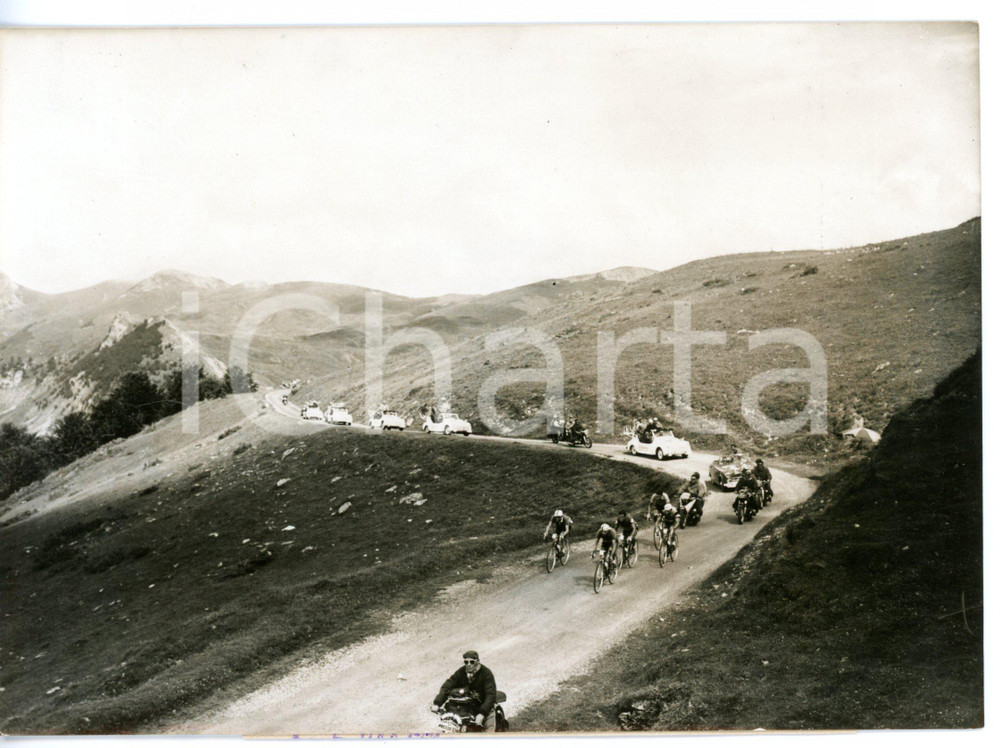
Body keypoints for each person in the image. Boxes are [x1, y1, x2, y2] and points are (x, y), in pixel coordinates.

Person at [432, 650, 498, 731]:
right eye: (466, 662)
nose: (468, 664)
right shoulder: (461, 672)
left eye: (472, 662)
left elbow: (490, 694)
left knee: (487, 732)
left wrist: (482, 713)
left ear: (478, 661)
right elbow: (448, 685)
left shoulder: (486, 674)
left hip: (482, 705)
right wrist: (437, 703)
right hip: (468, 707)